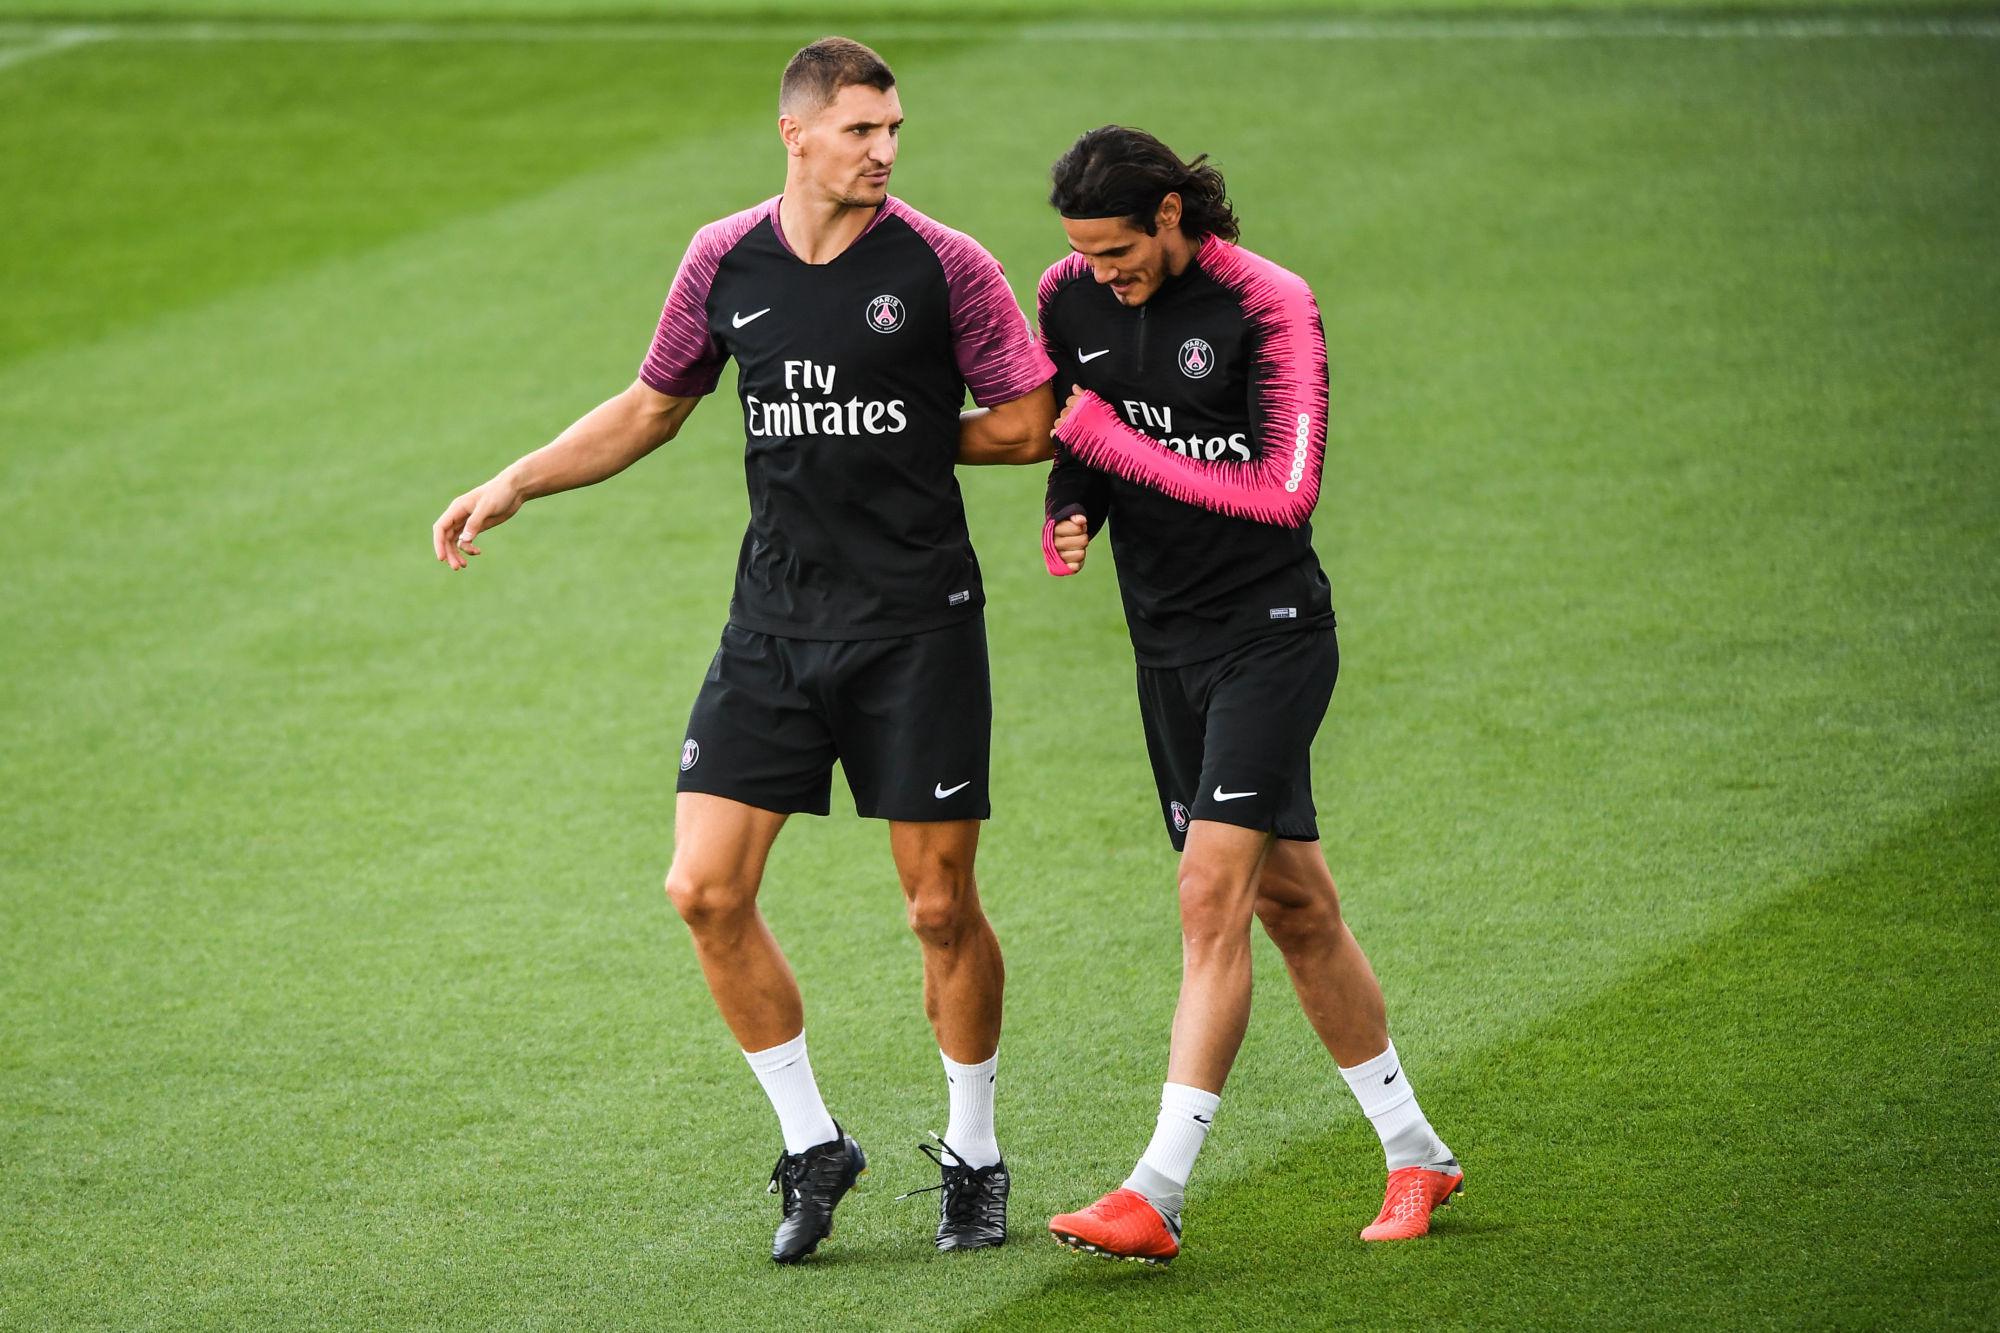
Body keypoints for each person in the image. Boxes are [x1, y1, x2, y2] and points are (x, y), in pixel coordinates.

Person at [429, 37, 1055, 1264]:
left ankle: (973, 1154)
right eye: (862, 131)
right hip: (770, 627)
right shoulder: (724, 257)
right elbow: (654, 405)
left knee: (937, 907)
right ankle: (813, 1142)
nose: (883, 152)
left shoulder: (945, 265)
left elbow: (1028, 422)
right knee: (703, 890)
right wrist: (516, 480)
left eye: (892, 132)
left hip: (915, 629)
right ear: (797, 133)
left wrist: (905, 436)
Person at [1033, 126, 1462, 1264]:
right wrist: (1067, 504)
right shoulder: (1068, 293)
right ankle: (1417, 1152)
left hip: (1269, 636)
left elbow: (1282, 491)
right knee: (1295, 907)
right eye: (1083, 255)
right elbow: (1083, 431)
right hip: (1161, 648)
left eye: (1119, 252)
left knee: (1207, 892)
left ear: (1174, 213)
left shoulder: (1268, 302)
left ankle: (1155, 1190)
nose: (1101, 276)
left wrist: (1102, 442)